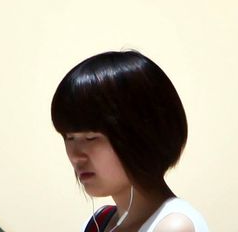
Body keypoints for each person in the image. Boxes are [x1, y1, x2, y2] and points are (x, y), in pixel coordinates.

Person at [51, 50, 209, 232]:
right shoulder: (98, 222)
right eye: (69, 138)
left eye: (91, 138)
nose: (76, 155)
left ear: (140, 135)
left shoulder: (173, 226)